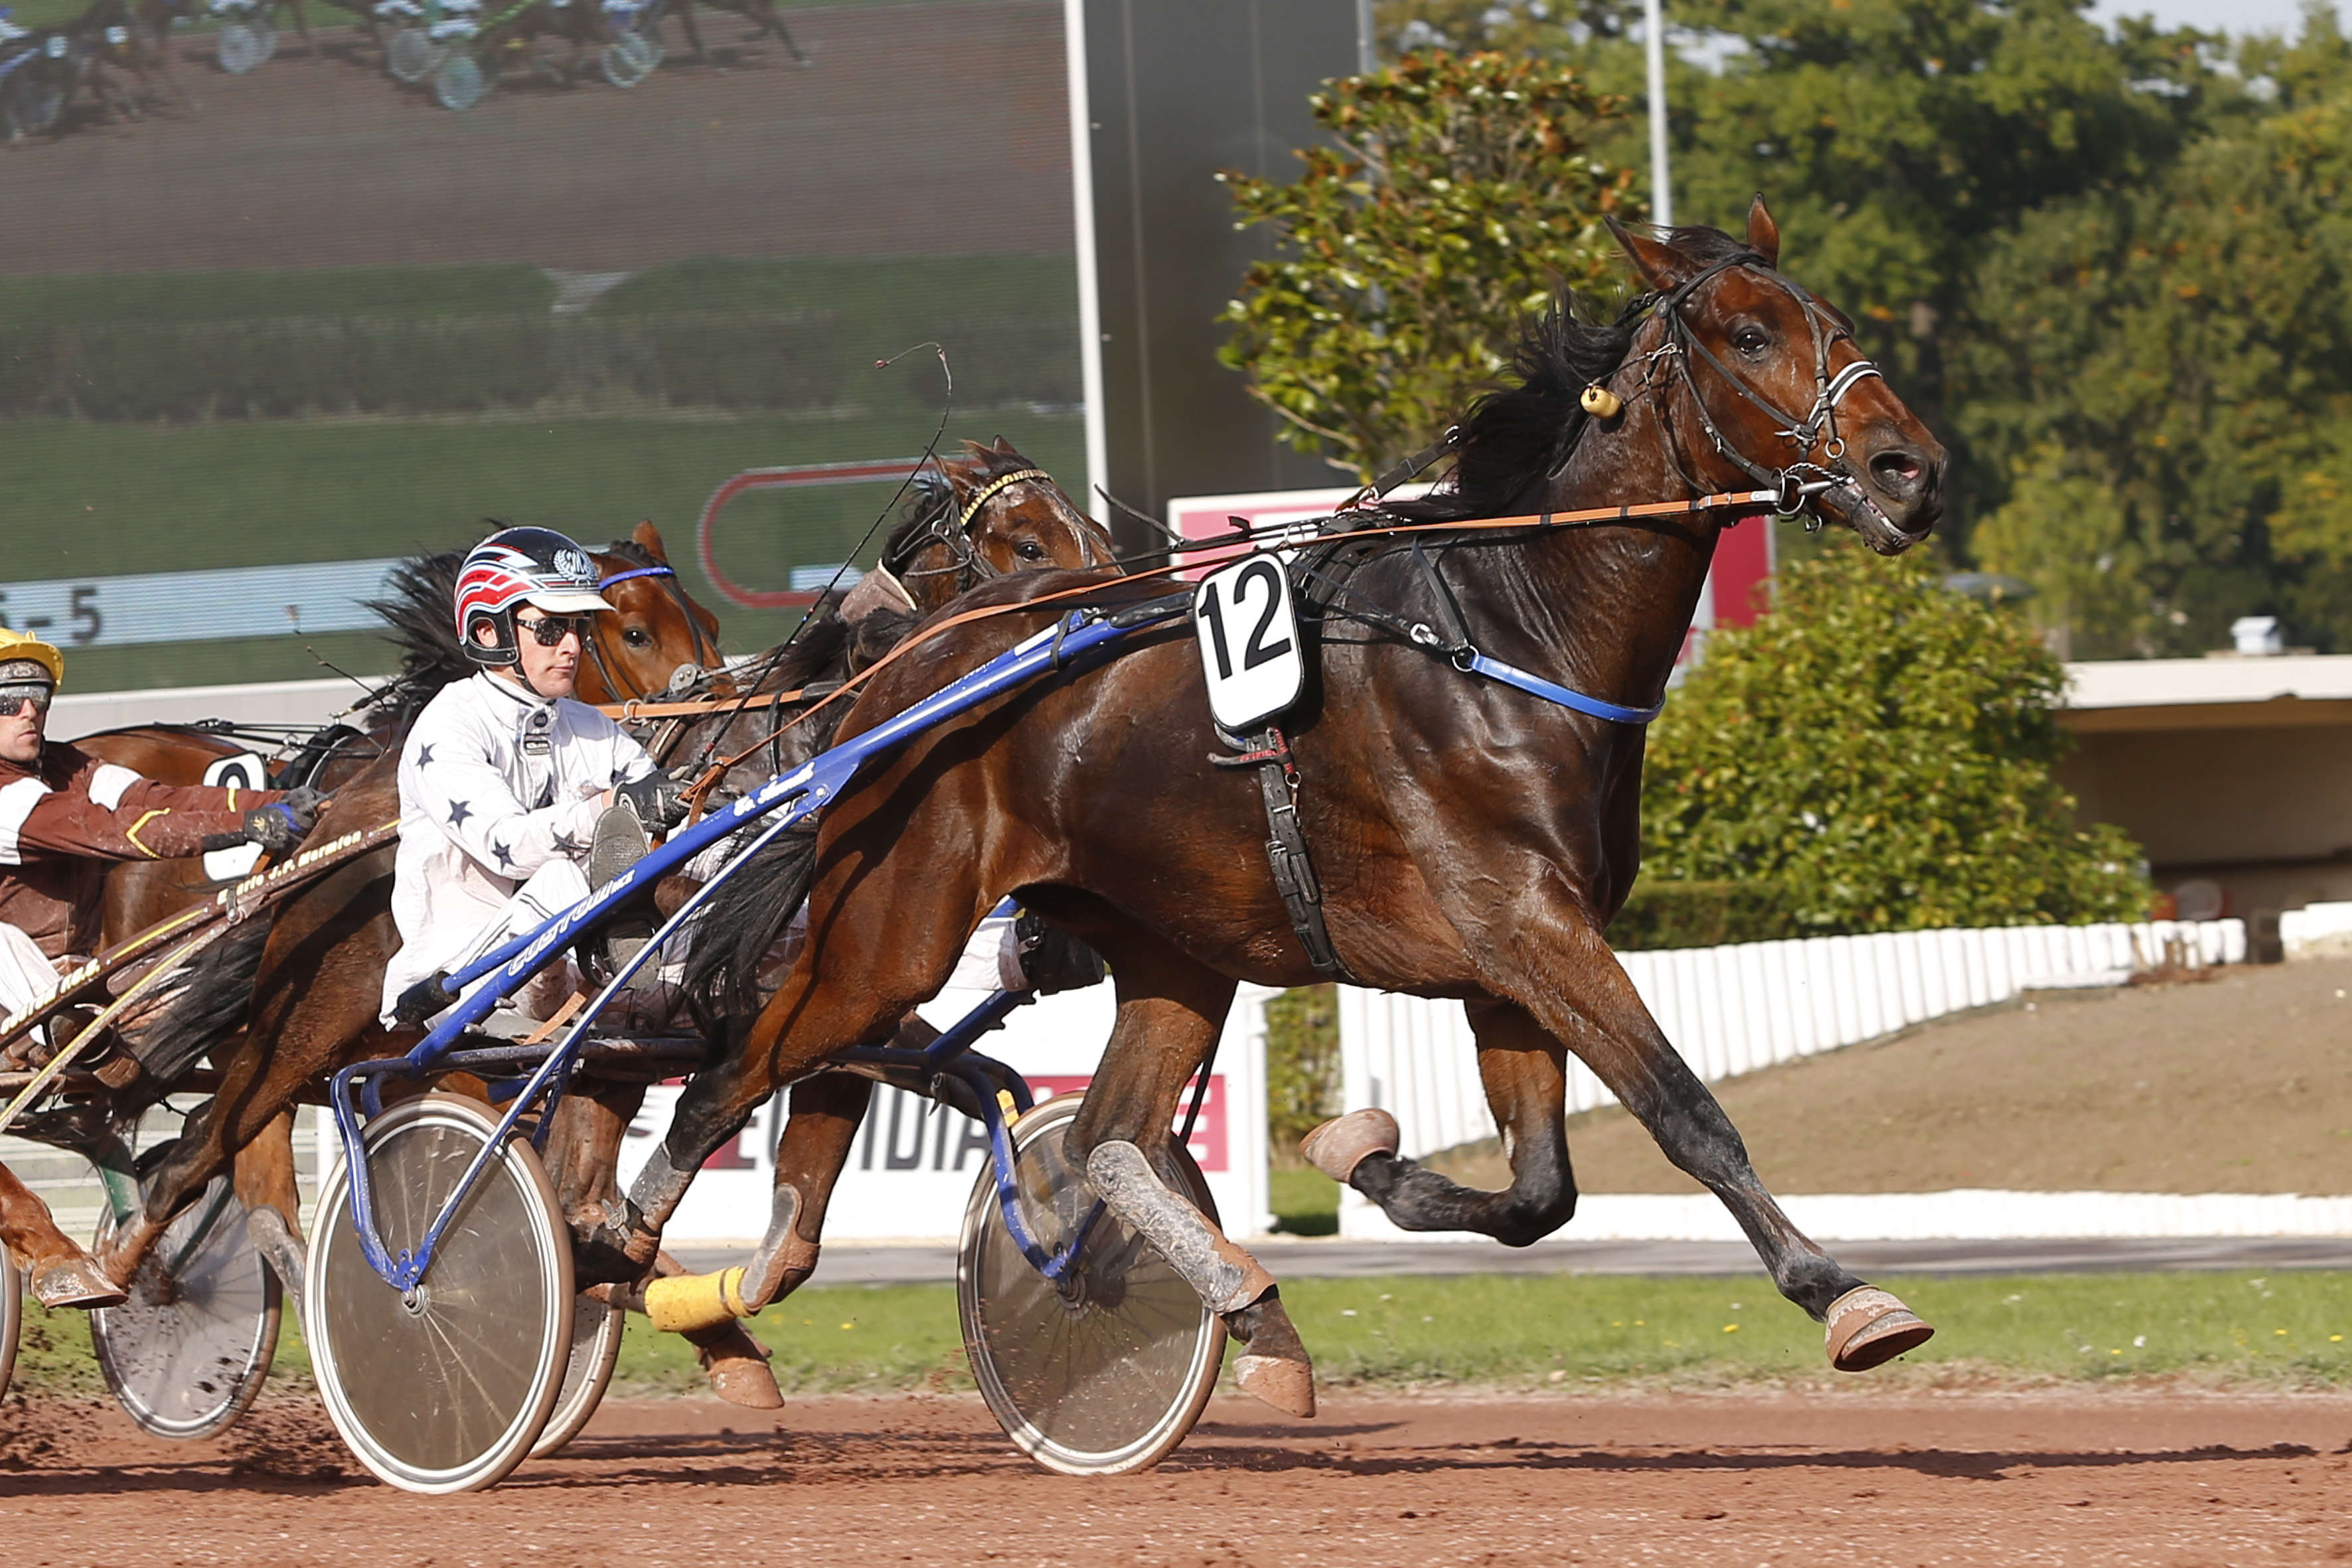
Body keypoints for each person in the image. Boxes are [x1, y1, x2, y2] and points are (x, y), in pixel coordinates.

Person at [381, 526, 690, 1031]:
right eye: (549, 629)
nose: (571, 646)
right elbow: (509, 846)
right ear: (488, 633)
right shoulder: (448, 724)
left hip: (569, 973)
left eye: (579, 627)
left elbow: (661, 807)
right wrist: (613, 808)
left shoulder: (591, 726)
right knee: (562, 879)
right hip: (459, 988)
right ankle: (615, 951)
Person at [0, 627, 319, 1080]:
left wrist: (275, 803)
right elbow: (113, 831)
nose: (29, 710)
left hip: (75, 978)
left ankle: (79, 1033)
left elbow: (159, 800)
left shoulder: (67, 765)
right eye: (8, 701)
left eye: (39, 694)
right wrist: (246, 828)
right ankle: (60, 1034)